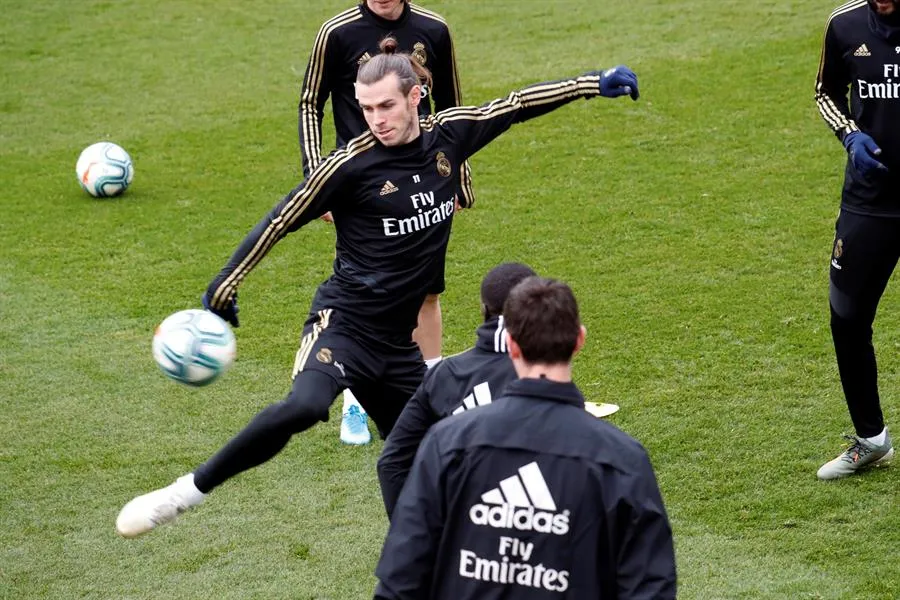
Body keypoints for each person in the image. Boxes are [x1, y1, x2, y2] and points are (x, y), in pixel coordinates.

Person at [115, 37, 640, 538]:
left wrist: (593, 83)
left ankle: (428, 556)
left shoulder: (450, 136)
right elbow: (280, 219)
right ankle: (184, 494)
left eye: (386, 106)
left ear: (415, 97)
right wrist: (225, 284)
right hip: (343, 326)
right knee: (303, 407)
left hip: (398, 348)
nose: (376, 120)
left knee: (441, 454)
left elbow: (515, 104)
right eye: (366, 109)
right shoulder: (349, 165)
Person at [373, 277, 676, 599]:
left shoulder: (446, 442)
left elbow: (398, 582)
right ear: (579, 340)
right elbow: (650, 588)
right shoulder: (623, 459)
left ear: (512, 344)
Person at [299, 0, 474, 445]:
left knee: (426, 290)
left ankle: (428, 389)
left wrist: (457, 178)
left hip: (424, 174)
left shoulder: (434, 28)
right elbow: (308, 104)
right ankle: (357, 403)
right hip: (360, 185)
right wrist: (317, 177)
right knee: (373, 289)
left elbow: (453, 105)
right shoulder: (336, 32)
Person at [378, 261, 536, 518]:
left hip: (456, 537)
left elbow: (391, 464)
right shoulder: (543, 374)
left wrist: (411, 536)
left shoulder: (444, 374)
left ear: (483, 309)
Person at [814, 0, 898, 480]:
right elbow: (826, 93)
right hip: (869, 200)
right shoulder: (843, 25)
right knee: (846, 318)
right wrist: (850, 135)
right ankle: (871, 439)